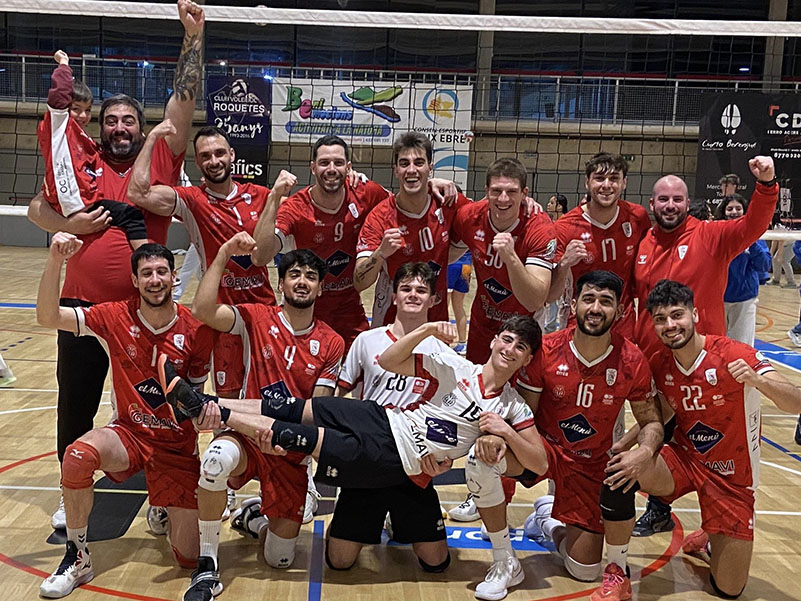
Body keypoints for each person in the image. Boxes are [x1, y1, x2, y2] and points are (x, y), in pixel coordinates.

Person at [158, 316, 548, 601]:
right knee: (291, 408)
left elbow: (540, 463)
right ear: (494, 340)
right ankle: (205, 403)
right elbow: (389, 361)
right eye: (507, 340)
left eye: (520, 348)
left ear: (526, 360)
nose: (509, 350)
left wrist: (505, 430)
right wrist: (427, 330)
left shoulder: (512, 406)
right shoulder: (457, 366)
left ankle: (212, 412)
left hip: (392, 458)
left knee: (296, 437)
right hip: (379, 417)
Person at [26, 0, 205, 530]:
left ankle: (162, 491)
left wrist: (193, 39)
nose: (120, 127)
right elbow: (36, 207)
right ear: (99, 128)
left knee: (159, 406)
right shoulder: (84, 165)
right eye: (111, 121)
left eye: (129, 120)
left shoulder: (159, 160)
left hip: (145, 314)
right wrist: (70, 223)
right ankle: (71, 489)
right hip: (83, 309)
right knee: (76, 404)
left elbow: (182, 104)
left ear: (142, 127)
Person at [36, 234, 215, 598]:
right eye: (146, 273)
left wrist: (203, 415)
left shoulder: (196, 329)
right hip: (129, 435)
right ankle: (77, 557)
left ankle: (163, 503)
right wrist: (55, 260)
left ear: (174, 276)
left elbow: (193, 399)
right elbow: (48, 316)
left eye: (162, 272)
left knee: (187, 558)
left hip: (175, 447)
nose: (155, 280)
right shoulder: (113, 315)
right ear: (134, 280)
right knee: (77, 455)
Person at [611, 280, 801, 599]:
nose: (670, 325)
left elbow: (795, 402)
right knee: (620, 472)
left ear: (695, 314)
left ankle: (710, 536)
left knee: (729, 590)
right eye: (661, 319)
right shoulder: (660, 363)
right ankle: (616, 570)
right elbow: (664, 411)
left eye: (677, 315)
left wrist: (758, 380)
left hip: (732, 477)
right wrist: (626, 445)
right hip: (685, 461)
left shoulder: (735, 354)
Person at [182, 233, 344, 601]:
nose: (302, 281)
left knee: (280, 558)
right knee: (214, 459)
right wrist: (223, 253)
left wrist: (283, 438)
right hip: (245, 434)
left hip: (287, 447)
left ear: (320, 288)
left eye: (310, 277)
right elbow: (203, 311)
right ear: (281, 283)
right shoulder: (256, 317)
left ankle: (253, 520)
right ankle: (207, 564)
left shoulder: (332, 342)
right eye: (294, 274)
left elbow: (316, 413)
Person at [630, 156, 778, 535]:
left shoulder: (711, 237)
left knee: (708, 445)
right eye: (663, 199)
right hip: (653, 368)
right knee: (658, 437)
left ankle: (719, 522)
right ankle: (659, 510)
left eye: (677, 199)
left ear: (687, 202)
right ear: (652, 204)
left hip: (702, 370)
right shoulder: (642, 243)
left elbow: (754, 224)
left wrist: (766, 185)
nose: (670, 206)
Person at [514, 270, 662, 601]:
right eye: (589, 299)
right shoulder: (547, 349)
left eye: (606, 302)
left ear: (619, 311)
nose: (595, 308)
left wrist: (644, 452)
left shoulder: (631, 359)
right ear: (573, 304)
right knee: (489, 453)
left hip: (590, 463)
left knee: (584, 569)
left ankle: (546, 519)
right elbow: (522, 415)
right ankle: (501, 559)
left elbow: (651, 420)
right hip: (543, 449)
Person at [127, 121, 286, 398]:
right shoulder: (192, 200)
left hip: (263, 312)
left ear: (232, 155)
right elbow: (137, 193)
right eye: (205, 156)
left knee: (269, 397)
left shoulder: (263, 196)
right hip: (219, 314)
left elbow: (310, 207)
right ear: (198, 163)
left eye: (219, 153)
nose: (214, 161)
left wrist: (351, 178)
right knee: (229, 400)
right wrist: (152, 138)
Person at [331, 262, 451, 572]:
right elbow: (339, 394)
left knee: (436, 562)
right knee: (339, 561)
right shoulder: (367, 340)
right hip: (368, 455)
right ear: (394, 296)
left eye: (421, 290)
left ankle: (397, 520)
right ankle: (359, 517)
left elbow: (452, 413)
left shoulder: (443, 352)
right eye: (406, 288)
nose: (413, 295)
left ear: (433, 300)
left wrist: (446, 457)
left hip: (413, 459)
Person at [354, 132, 468, 326]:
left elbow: (490, 212)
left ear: (430, 167)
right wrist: (381, 253)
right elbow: (359, 282)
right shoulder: (380, 217)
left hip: (434, 324)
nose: (411, 170)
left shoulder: (448, 203)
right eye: (404, 163)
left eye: (419, 163)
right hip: (391, 323)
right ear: (396, 170)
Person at [38, 50, 149, 250]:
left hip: (81, 202)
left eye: (88, 110)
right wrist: (64, 64)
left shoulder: (85, 141)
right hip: (74, 201)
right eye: (76, 109)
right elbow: (59, 96)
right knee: (132, 217)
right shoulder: (57, 127)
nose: (83, 116)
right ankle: (147, 257)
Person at [450, 158, 555, 364]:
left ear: (524, 194)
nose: (503, 199)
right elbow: (443, 254)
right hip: (482, 324)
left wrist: (511, 258)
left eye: (512, 192)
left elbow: (535, 300)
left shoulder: (539, 228)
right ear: (486, 191)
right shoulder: (469, 217)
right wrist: (432, 183)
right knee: (478, 381)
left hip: (524, 327)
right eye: (496, 191)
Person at [548, 153, 651, 339]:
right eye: (599, 178)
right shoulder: (564, 227)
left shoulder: (638, 217)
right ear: (587, 182)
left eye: (614, 178)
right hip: (579, 327)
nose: (606, 185)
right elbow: (550, 295)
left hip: (623, 327)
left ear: (624, 183)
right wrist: (564, 263)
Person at [716, 195, 771, 346]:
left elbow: (764, 265)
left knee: (743, 346)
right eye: (730, 209)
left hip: (745, 299)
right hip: (718, 299)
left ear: (745, 211)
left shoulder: (754, 234)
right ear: (724, 212)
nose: (734, 212)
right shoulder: (716, 233)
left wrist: (750, 242)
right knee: (716, 345)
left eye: (738, 208)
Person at [447, 250, 472, 353]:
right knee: (459, 306)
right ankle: (462, 343)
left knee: (444, 306)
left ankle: (443, 341)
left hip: (451, 265)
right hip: (466, 267)